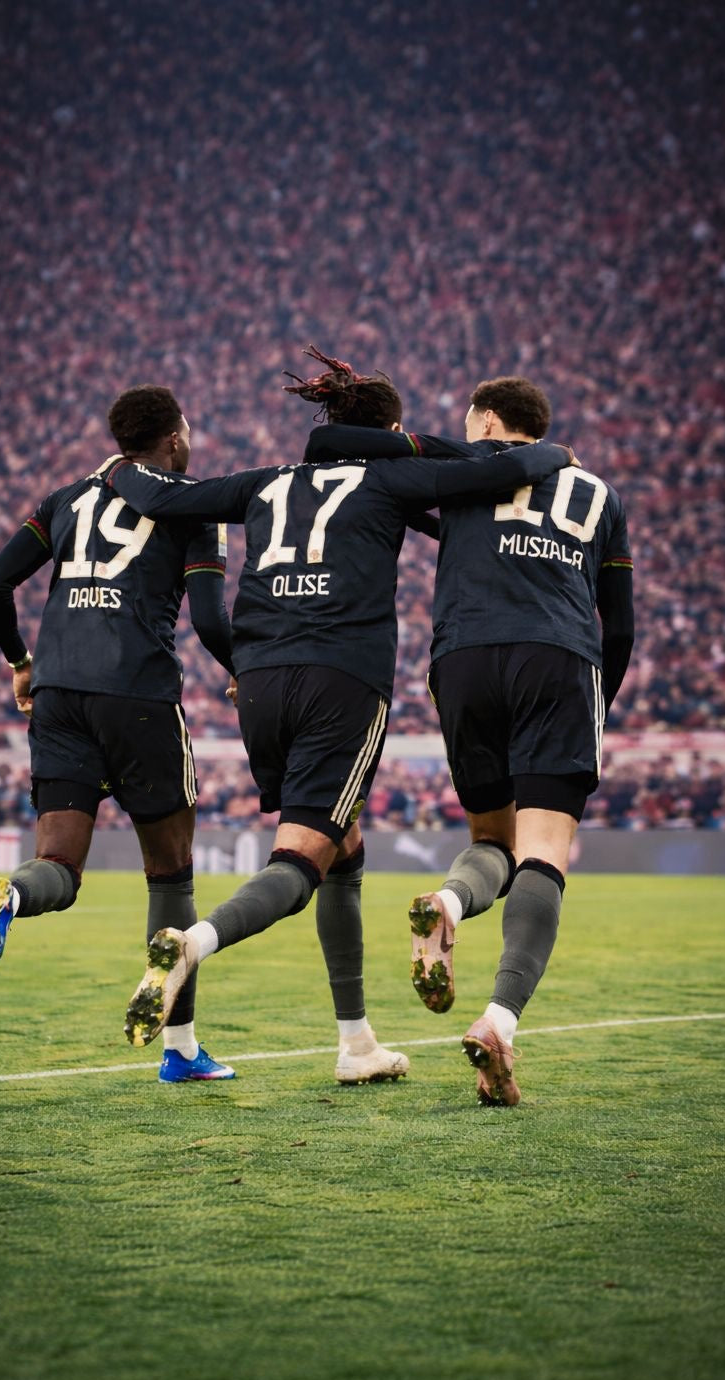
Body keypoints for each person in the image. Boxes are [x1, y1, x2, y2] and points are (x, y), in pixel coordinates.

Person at [113, 348, 575, 1083]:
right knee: (300, 862)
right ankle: (194, 944)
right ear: (390, 431)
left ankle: (357, 1045)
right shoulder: (392, 476)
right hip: (341, 680)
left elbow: (165, 501)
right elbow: (503, 471)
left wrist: (118, 470)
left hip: (259, 683)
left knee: (344, 851)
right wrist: (556, 452)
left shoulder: (265, 481)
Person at [307, 375, 634, 1105]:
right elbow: (622, 626)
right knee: (543, 851)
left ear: (486, 420)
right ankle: (499, 1021)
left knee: (492, 839)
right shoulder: (600, 494)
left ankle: (451, 905)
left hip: (462, 661)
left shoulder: (459, 475)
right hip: (557, 659)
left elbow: (342, 449)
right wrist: (597, 705)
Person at [0, 384, 239, 1084]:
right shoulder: (194, 503)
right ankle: (181, 1050)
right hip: (139, 694)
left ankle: (13, 896)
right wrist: (244, 670)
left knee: (59, 867)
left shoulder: (63, 500)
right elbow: (210, 620)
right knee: (171, 873)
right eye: (187, 430)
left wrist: (21, 662)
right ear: (173, 439)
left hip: (58, 695)